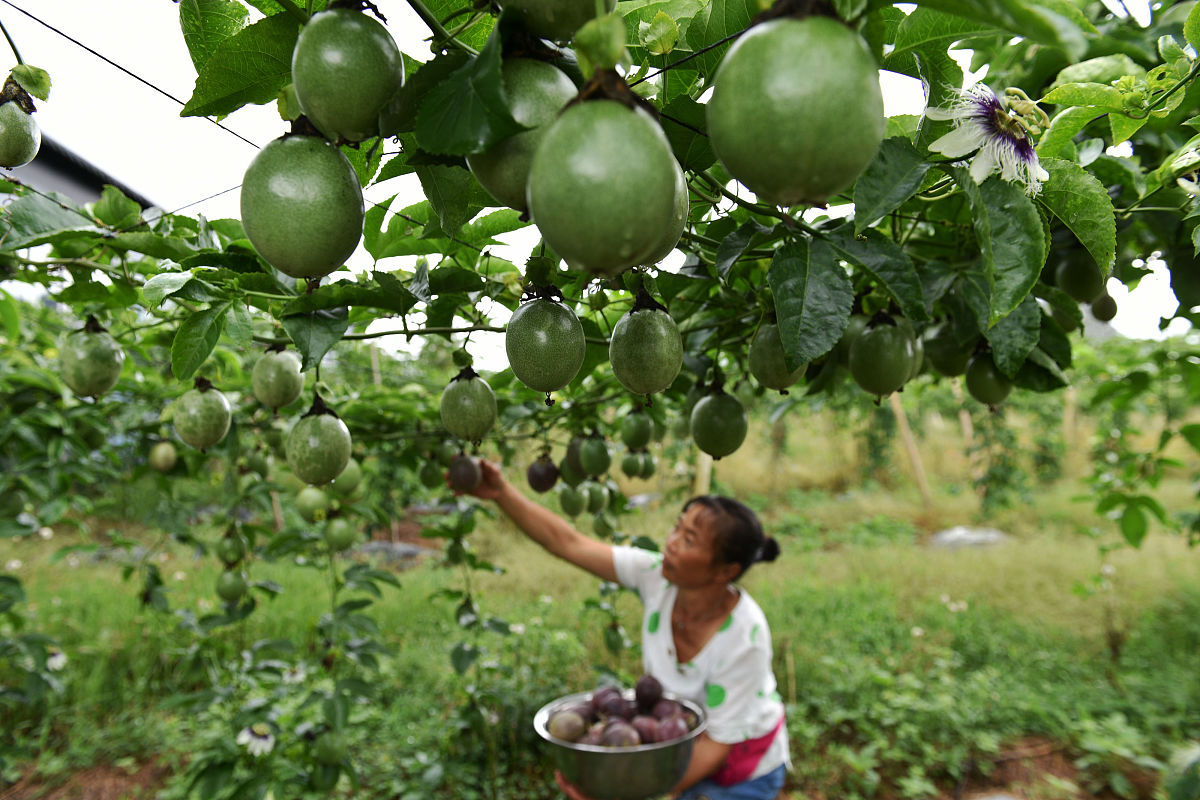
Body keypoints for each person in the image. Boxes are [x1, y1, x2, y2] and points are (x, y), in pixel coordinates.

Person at [466, 460, 789, 800]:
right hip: (677, 749)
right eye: (676, 528)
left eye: (689, 539)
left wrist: (634, 794)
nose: (672, 542)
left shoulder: (744, 637)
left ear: (726, 571)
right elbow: (568, 543)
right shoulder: (657, 578)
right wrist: (500, 493)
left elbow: (718, 744)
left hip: (740, 772)